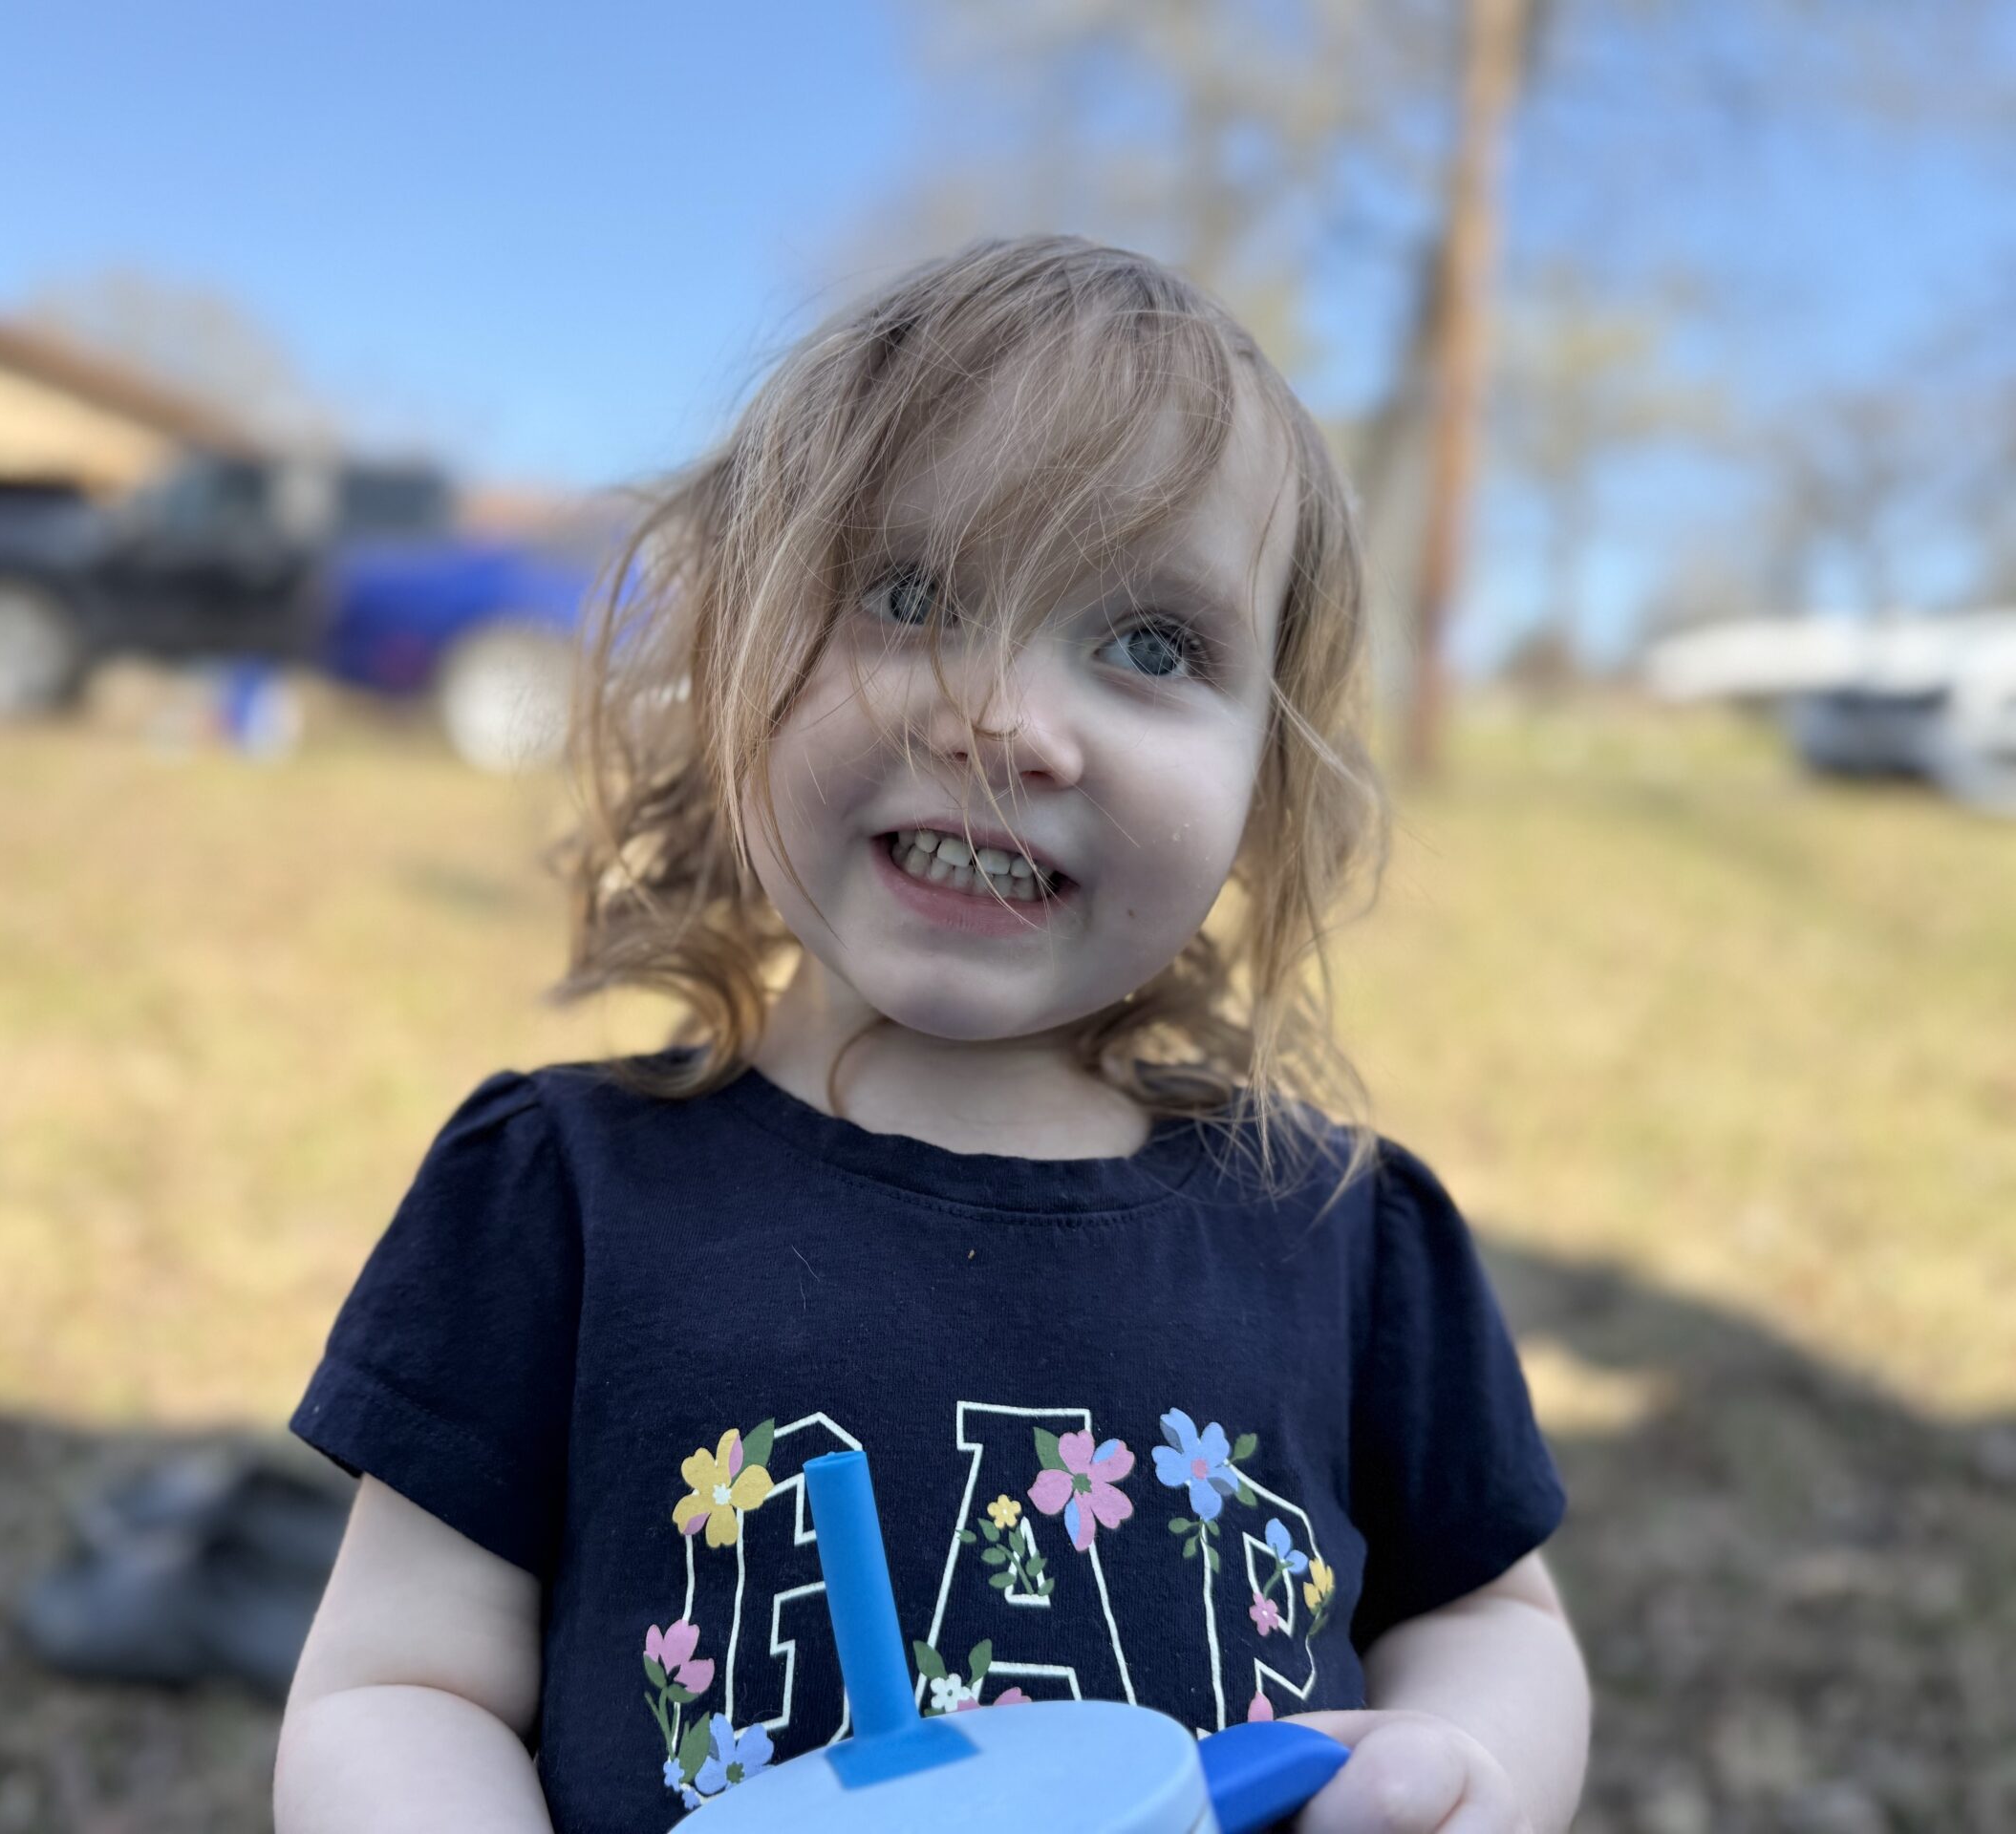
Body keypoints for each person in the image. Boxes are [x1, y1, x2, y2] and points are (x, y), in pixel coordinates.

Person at [274, 235, 1589, 1834]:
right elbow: (399, 1688)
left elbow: (1489, 1619)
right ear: (725, 656)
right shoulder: (558, 1196)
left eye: (1150, 644)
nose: (1005, 723)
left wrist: (1469, 1774)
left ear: (1269, 774)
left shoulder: (1347, 1239)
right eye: (911, 598)